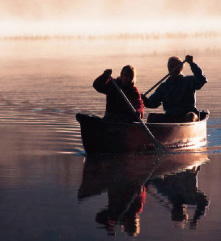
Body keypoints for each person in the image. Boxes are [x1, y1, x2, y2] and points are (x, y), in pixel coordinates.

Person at [141, 55, 207, 122]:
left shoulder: (189, 81)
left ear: (181, 68)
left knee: (191, 116)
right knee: (152, 117)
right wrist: (142, 98)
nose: (173, 69)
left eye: (176, 67)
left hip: (187, 117)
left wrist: (192, 64)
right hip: (171, 117)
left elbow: (202, 80)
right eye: (171, 67)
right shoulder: (164, 86)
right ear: (168, 68)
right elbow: (152, 103)